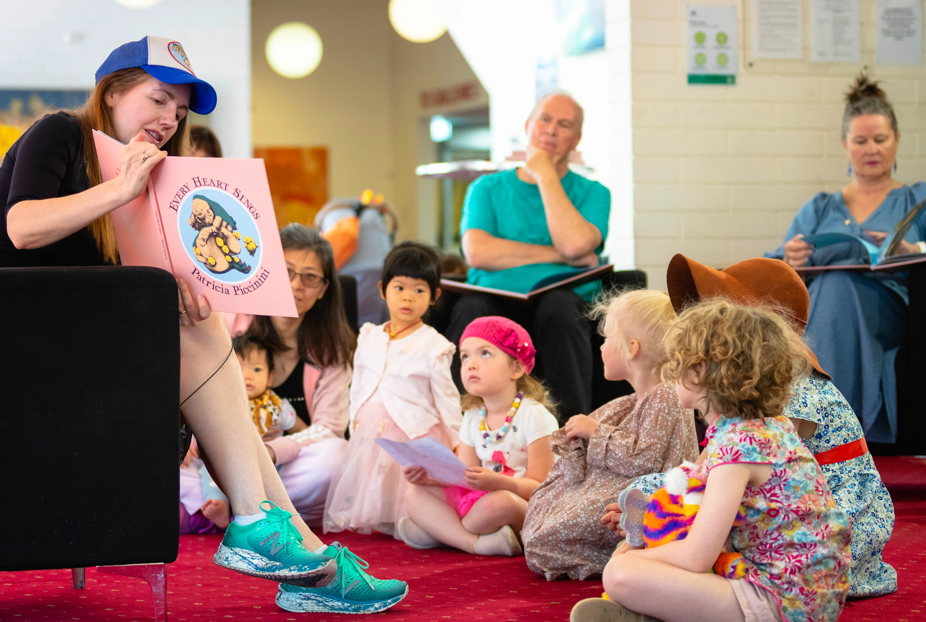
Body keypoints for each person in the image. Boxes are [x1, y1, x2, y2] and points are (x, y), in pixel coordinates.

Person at [0, 36, 406, 614]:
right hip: (20, 340)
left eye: (180, 110)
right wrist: (121, 189)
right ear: (112, 92)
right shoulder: (61, 132)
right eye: (158, 99)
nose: (169, 119)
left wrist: (177, 286)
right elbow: (21, 228)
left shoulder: (151, 177)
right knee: (199, 334)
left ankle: (294, 547)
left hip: (82, 350)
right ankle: (273, 534)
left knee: (200, 321)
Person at [612, 254, 896, 598]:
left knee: (661, 510)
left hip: (829, 523)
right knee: (658, 493)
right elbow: (706, 468)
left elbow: (719, 470)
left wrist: (656, 513)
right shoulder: (750, 409)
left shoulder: (795, 390)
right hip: (782, 513)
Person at [574, 300, 851, 622]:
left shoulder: (737, 447)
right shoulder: (770, 427)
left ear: (699, 371)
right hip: (802, 594)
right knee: (639, 561)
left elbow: (697, 556)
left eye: (676, 361)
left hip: (782, 603)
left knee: (620, 572)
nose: (670, 372)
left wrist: (639, 555)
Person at [767, 74, 926, 444]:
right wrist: (789, 258)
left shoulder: (916, 201)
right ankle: (841, 433)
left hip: (892, 313)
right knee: (835, 287)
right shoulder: (820, 207)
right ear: (845, 145)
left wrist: (915, 251)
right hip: (824, 305)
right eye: (860, 141)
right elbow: (773, 269)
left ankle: (815, 432)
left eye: (880, 139)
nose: (871, 149)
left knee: (838, 289)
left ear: (897, 139)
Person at [445, 91, 611, 421]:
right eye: (544, 119)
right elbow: (477, 251)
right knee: (472, 311)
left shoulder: (595, 192)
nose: (551, 130)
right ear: (527, 126)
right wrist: (559, 255)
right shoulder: (486, 188)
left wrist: (545, 175)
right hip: (493, 298)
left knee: (559, 308)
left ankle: (570, 435)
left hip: (561, 303)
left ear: (576, 139)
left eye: (564, 125)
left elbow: (576, 244)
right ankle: (459, 426)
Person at [521, 290, 699, 581]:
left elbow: (645, 460)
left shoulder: (666, 394)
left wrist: (595, 432)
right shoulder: (630, 401)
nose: (601, 347)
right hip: (622, 486)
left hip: (650, 493)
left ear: (632, 348)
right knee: (545, 518)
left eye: (606, 338)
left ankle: (634, 552)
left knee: (548, 535)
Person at [324, 241, 463, 537]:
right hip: (371, 430)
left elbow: (447, 398)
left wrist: (457, 442)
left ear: (435, 296)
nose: (408, 297)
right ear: (382, 289)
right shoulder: (368, 336)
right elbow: (358, 384)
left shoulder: (434, 345)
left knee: (408, 485)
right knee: (373, 486)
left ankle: (413, 522)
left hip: (414, 431)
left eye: (419, 290)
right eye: (399, 288)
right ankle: (379, 519)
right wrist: (354, 423)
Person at [398, 316, 560, 556]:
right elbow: (464, 477)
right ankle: (473, 542)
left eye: (484, 354)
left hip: (526, 505)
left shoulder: (535, 416)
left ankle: (441, 533)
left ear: (516, 368)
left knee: (499, 503)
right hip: (481, 501)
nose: (471, 364)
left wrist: (500, 483)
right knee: (414, 494)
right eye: (465, 356)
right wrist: (428, 478)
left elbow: (543, 489)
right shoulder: (474, 416)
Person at [229, 224, 354, 527]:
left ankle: (248, 512)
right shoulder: (231, 322)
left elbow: (329, 428)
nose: (296, 285)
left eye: (310, 277)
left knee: (336, 456)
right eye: (286, 271)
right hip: (225, 464)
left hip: (287, 470)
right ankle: (249, 508)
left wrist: (272, 451)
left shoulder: (334, 351)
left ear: (323, 289)